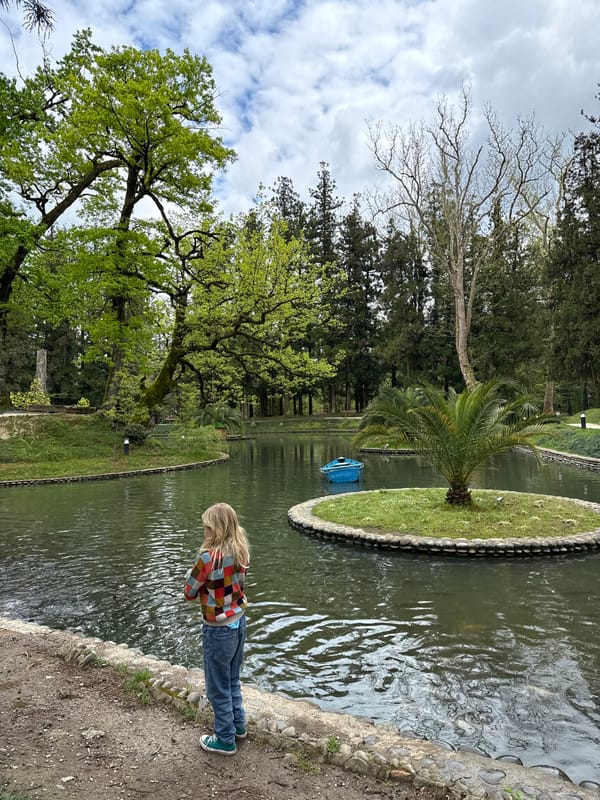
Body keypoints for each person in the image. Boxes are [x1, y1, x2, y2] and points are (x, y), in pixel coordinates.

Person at [184, 502, 250, 756]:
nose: (204, 531)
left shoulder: (207, 558)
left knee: (216, 686)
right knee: (232, 679)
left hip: (218, 629)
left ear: (216, 529)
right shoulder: (242, 551)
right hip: (238, 621)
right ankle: (238, 725)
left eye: (206, 527)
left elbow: (189, 592)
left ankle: (224, 739)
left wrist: (204, 588)